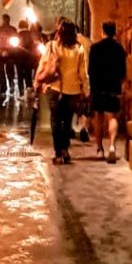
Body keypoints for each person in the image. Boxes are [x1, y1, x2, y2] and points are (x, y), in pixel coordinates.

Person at [35, 21, 88, 165]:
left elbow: (43, 64)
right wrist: (85, 90)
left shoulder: (52, 46)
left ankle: (58, 152)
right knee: (67, 120)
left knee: (56, 121)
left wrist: (37, 81)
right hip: (73, 90)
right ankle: (65, 149)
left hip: (56, 89)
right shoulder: (79, 48)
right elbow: (83, 72)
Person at [89, 21, 128, 164]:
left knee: (98, 118)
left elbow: (90, 71)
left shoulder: (95, 48)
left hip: (98, 87)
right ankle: (112, 146)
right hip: (113, 87)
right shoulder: (119, 49)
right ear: (115, 31)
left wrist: (91, 88)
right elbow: (123, 73)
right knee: (112, 118)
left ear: (102, 31)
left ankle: (100, 149)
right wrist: (122, 87)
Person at [0, 13, 18, 97]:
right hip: (7, 51)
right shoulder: (12, 29)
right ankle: (7, 86)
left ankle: (5, 88)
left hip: (6, 51)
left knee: (4, 71)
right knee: (6, 70)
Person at [15, 19, 37, 97]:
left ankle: (21, 94)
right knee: (28, 76)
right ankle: (29, 92)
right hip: (29, 59)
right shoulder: (32, 36)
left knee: (20, 77)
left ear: (19, 26)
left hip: (19, 59)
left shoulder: (16, 35)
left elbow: (14, 49)